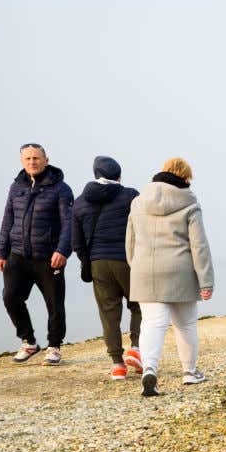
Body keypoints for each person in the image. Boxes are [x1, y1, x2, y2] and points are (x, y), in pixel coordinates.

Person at [126, 157, 214, 397]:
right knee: (185, 325)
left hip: (145, 271)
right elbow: (199, 247)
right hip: (180, 272)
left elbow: (130, 242)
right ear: (185, 178)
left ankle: (150, 371)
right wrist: (206, 281)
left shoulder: (137, 202)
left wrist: (137, 267)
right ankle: (189, 372)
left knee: (152, 324)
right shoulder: (190, 204)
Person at [0, 143, 74, 365]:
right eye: (28, 159)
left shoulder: (61, 189)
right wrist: (1, 253)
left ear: (46, 160)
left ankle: (55, 346)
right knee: (10, 297)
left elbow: (69, 225)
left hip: (48, 257)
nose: (32, 162)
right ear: (22, 161)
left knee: (54, 304)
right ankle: (29, 341)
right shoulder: (16, 187)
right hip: (17, 255)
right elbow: (7, 221)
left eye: (36, 158)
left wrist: (62, 250)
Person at [71, 155, 142, 378]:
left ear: (96, 175)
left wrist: (88, 260)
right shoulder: (130, 196)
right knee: (140, 305)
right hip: (128, 261)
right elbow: (141, 229)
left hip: (98, 262)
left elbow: (76, 241)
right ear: (119, 175)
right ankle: (136, 348)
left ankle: (117, 364)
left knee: (109, 313)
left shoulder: (80, 201)